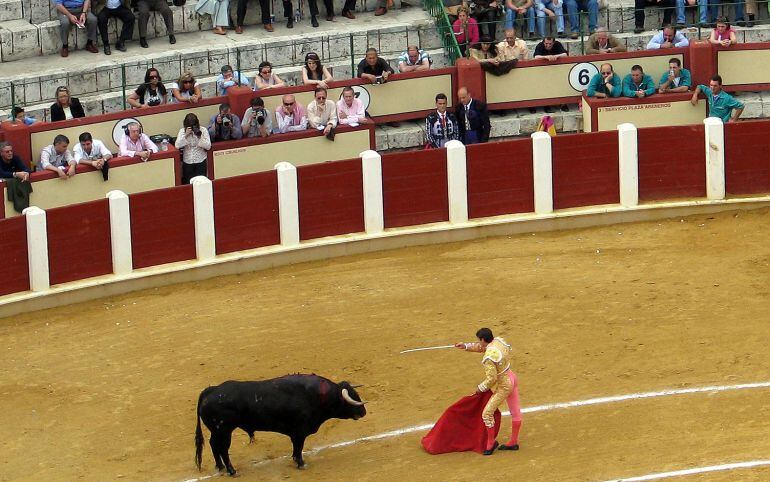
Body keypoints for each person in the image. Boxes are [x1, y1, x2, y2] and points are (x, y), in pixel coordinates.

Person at [455, 328, 522, 454]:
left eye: (479, 341)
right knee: (515, 411)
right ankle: (513, 442)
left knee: (486, 414)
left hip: (504, 385)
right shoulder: (499, 341)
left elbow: (492, 379)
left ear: (482, 339)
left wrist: (480, 388)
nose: (479, 343)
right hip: (512, 377)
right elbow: (483, 347)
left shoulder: (488, 358)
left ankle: (490, 443)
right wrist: (465, 346)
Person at [175, 113, 212, 184]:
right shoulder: (182, 131)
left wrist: (199, 137)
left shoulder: (203, 130)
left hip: (201, 161)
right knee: (188, 183)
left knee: (201, 183)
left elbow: (208, 146)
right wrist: (186, 135)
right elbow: (177, 145)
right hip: (188, 162)